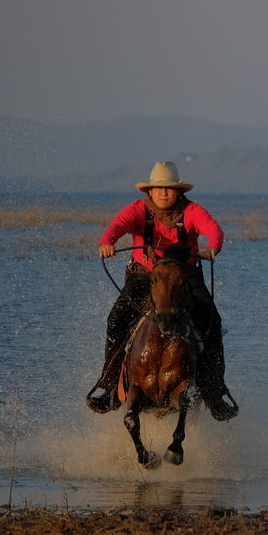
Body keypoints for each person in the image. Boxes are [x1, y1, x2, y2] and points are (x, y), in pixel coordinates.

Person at [86, 161, 239, 421]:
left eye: (169, 189)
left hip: (184, 277)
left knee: (212, 322)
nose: (164, 193)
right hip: (144, 276)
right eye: (159, 189)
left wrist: (213, 246)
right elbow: (116, 228)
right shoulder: (137, 210)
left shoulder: (191, 211)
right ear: (150, 191)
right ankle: (109, 385)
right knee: (115, 321)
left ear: (178, 191)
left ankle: (215, 393)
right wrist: (106, 243)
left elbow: (214, 231)